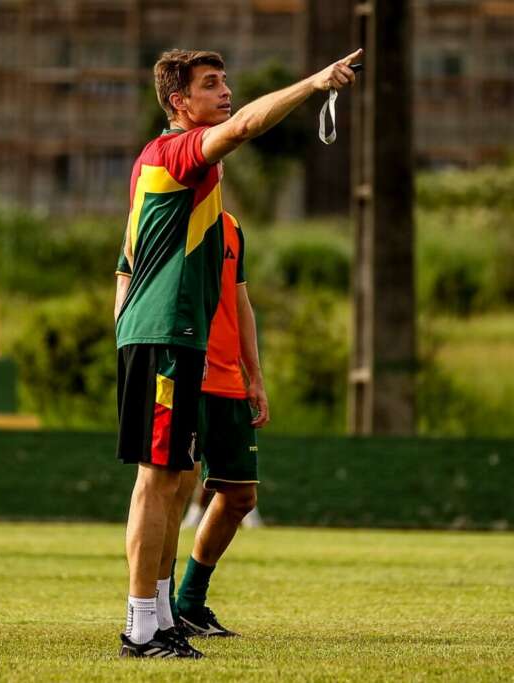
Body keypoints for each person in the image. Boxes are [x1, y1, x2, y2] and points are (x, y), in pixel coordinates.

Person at [114, 47, 360, 659]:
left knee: (176, 482)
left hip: (176, 336)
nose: (225, 92)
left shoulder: (192, 179)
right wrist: (314, 81)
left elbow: (124, 265)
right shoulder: (172, 151)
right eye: (211, 84)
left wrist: (127, 318)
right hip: (164, 335)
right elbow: (248, 125)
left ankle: (162, 617)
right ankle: (140, 628)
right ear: (180, 102)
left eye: (226, 82)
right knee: (157, 480)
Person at [119, 211, 268, 641]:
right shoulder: (159, 214)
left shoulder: (231, 226)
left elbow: (240, 302)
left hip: (228, 381)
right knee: (172, 489)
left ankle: (189, 603)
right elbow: (125, 285)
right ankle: (156, 612)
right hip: (181, 367)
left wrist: (254, 374)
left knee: (240, 496)